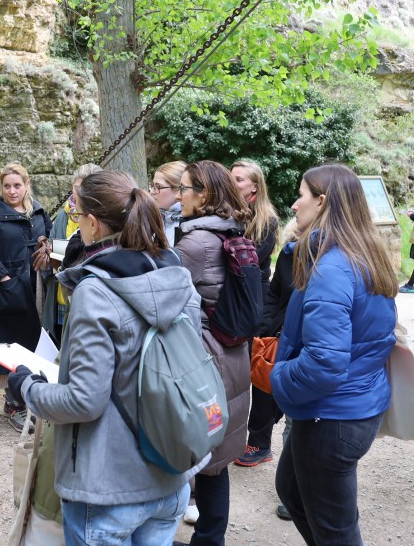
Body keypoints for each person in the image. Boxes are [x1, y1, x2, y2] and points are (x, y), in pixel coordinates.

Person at [7, 170, 205, 545]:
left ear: (93, 224)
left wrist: (27, 387)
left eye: (78, 214)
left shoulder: (95, 293)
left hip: (107, 488)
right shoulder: (177, 276)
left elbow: (83, 400)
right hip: (170, 475)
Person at [270, 163, 398, 546]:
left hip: (333, 416)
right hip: (349, 406)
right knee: (291, 490)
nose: (294, 205)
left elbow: (325, 363)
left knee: (334, 529)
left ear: (322, 201)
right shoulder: (362, 252)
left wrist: (278, 378)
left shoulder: (332, 267)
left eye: (302, 195)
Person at [173, 160, 253, 546]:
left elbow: (162, 297)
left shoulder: (194, 243)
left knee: (197, 453)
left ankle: (205, 539)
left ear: (203, 195)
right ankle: (210, 537)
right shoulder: (232, 231)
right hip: (232, 354)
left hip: (205, 359)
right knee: (216, 462)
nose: (179, 196)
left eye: (184, 189)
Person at [0, 163, 51, 431]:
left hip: (37, 284)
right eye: (7, 186)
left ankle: (33, 398)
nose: (12, 191)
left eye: (17, 185)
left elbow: (47, 236)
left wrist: (46, 248)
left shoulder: (38, 211)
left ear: (26, 185)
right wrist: (3, 276)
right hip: (9, 288)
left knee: (35, 340)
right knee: (12, 341)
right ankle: (14, 403)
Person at [236, 218, 298, 470]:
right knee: (262, 383)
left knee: (293, 402)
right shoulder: (289, 253)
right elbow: (275, 292)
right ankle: (259, 443)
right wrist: (267, 325)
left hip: (303, 338)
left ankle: (295, 472)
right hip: (277, 332)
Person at [43, 163, 102, 343]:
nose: (76, 195)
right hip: (61, 297)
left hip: (86, 301)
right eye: (76, 188)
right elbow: (53, 245)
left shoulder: (100, 221)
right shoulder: (63, 216)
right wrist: (49, 253)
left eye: (83, 190)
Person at [229, 159, 280, 286]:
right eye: (230, 179)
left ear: (254, 187)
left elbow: (250, 262)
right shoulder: (224, 211)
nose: (231, 184)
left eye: (239, 180)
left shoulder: (267, 221)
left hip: (253, 291)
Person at [151, 160, 186, 246]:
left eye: (159, 187)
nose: (152, 192)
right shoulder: (151, 219)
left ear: (178, 189)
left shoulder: (192, 221)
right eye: (152, 186)